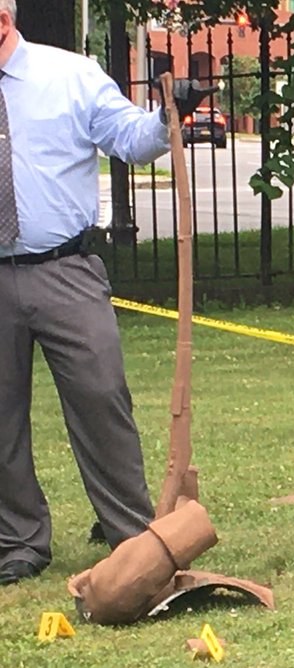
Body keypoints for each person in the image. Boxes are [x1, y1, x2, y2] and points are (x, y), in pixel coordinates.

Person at [0, 0, 211, 586]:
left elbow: (130, 137)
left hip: (64, 267)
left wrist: (172, 114)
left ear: (3, 19)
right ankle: (18, 540)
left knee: (100, 397)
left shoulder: (69, 75)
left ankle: (130, 532)